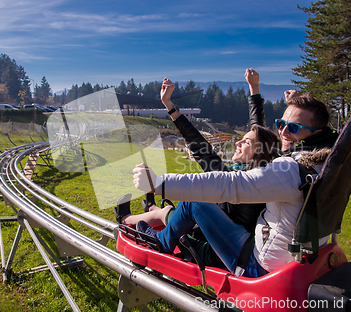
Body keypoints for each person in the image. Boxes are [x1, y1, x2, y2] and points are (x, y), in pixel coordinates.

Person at [131, 93, 336, 278]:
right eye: (281, 124)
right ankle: (143, 214)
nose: (283, 132)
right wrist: (254, 91)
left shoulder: (279, 174)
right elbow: (260, 132)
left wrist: (158, 183)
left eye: (293, 128)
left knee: (190, 203)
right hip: (285, 254)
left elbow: (220, 172)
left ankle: (153, 237)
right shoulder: (319, 166)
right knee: (168, 211)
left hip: (252, 262)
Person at [115, 69, 276, 234]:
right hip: (219, 223)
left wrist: (170, 106)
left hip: (208, 233)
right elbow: (258, 130)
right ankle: (151, 207)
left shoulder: (238, 182)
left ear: (259, 152)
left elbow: (201, 150)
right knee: (171, 208)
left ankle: (125, 219)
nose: (239, 141)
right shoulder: (260, 175)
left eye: (246, 142)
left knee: (167, 212)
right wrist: (254, 88)